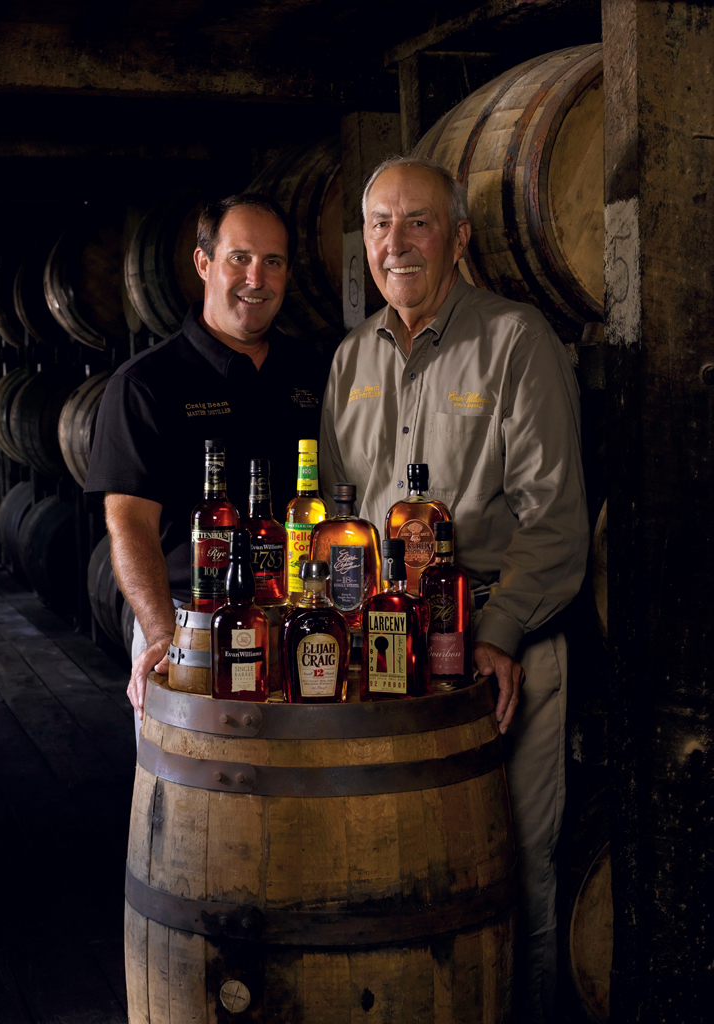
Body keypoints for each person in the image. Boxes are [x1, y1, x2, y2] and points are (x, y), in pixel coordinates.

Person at [319, 156, 589, 1024]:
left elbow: (554, 520)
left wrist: (499, 634)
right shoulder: (349, 358)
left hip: (495, 645)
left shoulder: (516, 340)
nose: (394, 243)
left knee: (513, 869)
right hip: (386, 656)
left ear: (459, 237)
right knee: (402, 874)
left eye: (418, 222)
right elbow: (335, 520)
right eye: (378, 225)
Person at [85, 193, 328, 725]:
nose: (256, 278)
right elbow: (129, 526)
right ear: (203, 263)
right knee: (195, 795)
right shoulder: (146, 384)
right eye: (239, 258)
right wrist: (159, 635)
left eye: (273, 262)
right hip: (189, 625)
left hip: (297, 623)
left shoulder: (315, 373)